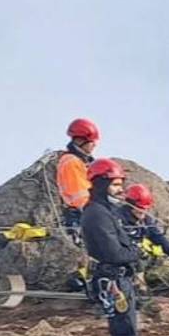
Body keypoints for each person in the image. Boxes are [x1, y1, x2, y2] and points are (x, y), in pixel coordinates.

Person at [79, 158, 144, 336]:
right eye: (116, 184)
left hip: (117, 278)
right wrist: (136, 254)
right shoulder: (96, 214)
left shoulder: (104, 211)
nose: (120, 190)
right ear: (103, 183)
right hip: (113, 280)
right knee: (124, 334)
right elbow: (112, 253)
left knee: (126, 332)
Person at [57, 118, 100, 291]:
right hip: (81, 213)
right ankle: (87, 287)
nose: (94, 146)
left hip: (84, 212)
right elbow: (80, 195)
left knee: (90, 253)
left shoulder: (80, 161)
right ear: (82, 140)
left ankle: (86, 284)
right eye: (92, 142)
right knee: (90, 251)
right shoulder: (72, 162)